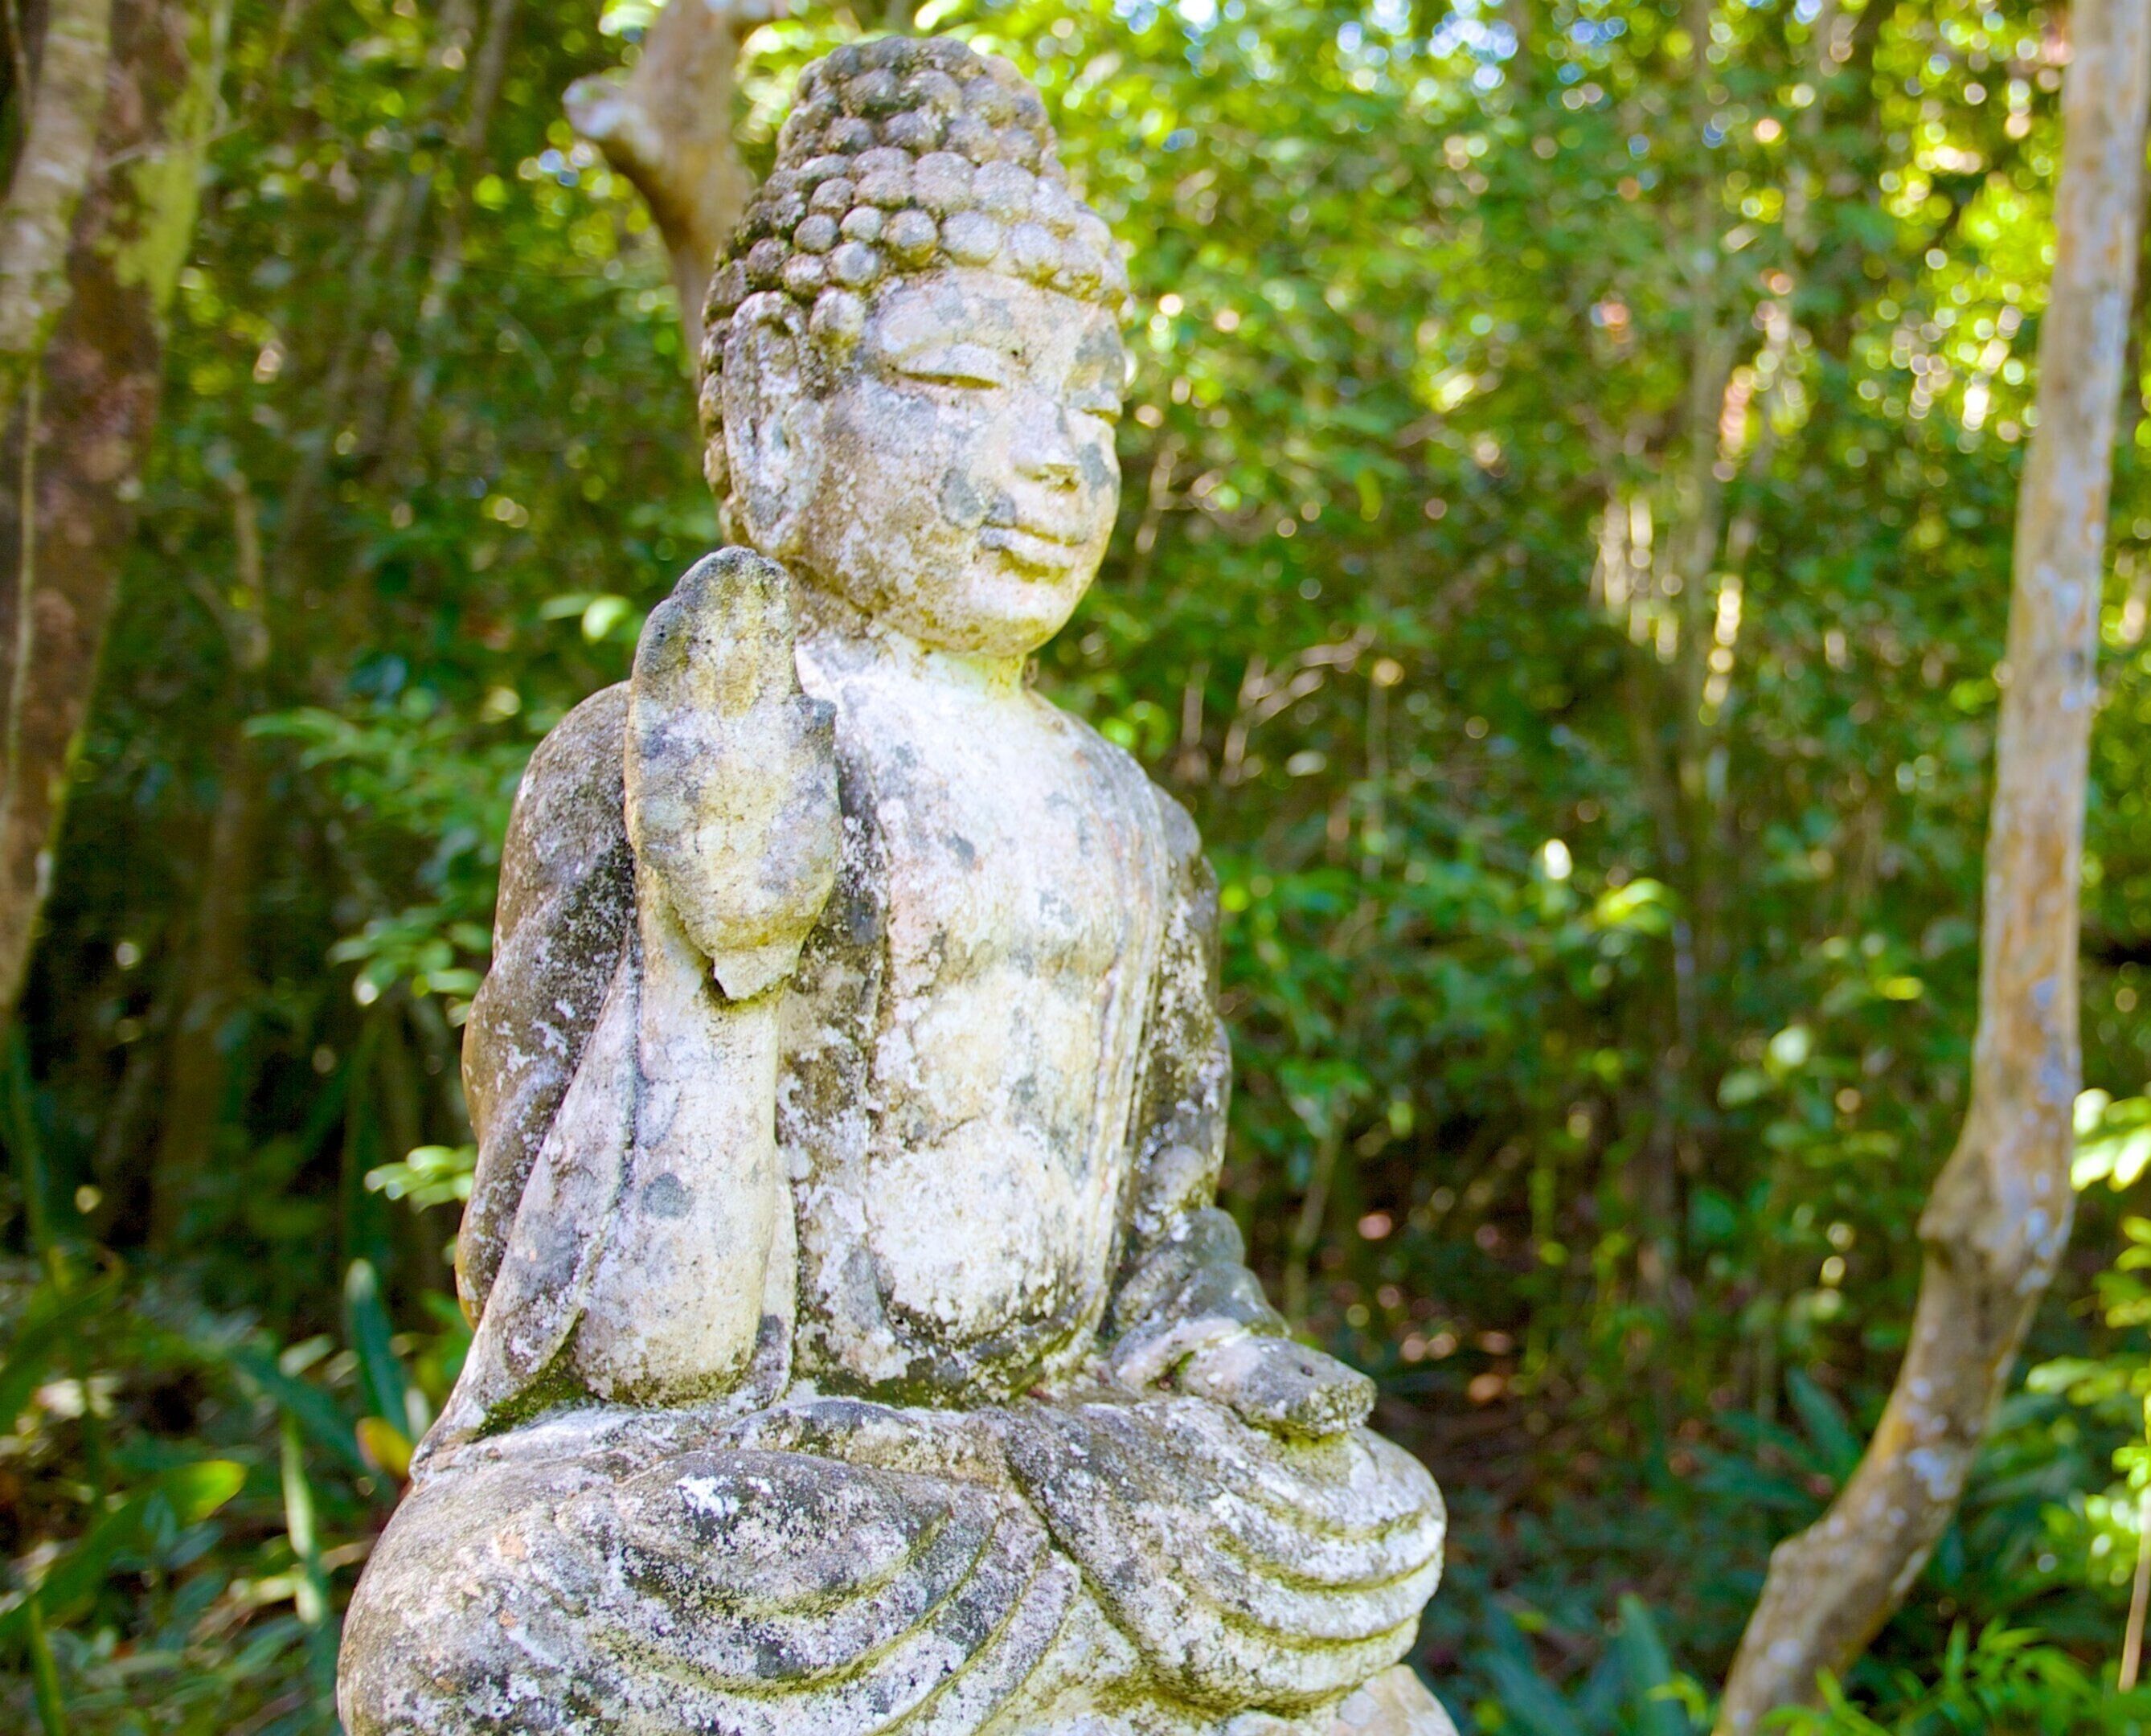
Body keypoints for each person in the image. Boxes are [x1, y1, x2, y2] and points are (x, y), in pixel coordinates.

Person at [337, 38, 1447, 1736]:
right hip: (797, 1486)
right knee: (480, 1625)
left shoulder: (1135, 824)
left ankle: (1064, 1626)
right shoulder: (649, 746)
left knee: (1373, 1510)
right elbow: (626, 1363)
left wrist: (1218, 1353)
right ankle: (1065, 1643)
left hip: (1081, 1461)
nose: (1058, 457)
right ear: (782, 403)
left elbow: (1162, 1236)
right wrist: (718, 953)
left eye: (1092, 402)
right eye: (966, 380)